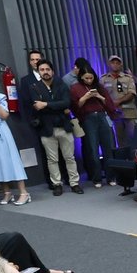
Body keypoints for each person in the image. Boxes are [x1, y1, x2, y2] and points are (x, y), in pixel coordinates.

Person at [28, 60, 79, 195]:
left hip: (64, 127)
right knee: (52, 159)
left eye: (47, 69)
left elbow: (66, 103)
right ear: (39, 72)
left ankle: (74, 183)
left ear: (52, 71)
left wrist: (46, 104)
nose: (45, 72)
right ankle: (57, 184)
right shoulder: (35, 87)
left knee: (70, 157)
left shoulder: (61, 85)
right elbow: (37, 106)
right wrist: (57, 106)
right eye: (42, 70)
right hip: (46, 128)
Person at [69, 66, 118, 188]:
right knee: (93, 148)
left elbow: (110, 105)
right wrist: (85, 97)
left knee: (108, 147)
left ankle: (111, 176)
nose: (89, 80)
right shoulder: (75, 88)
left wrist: (98, 96)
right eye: (86, 78)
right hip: (88, 118)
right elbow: (75, 106)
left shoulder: (99, 87)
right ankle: (97, 178)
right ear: (81, 77)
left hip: (102, 116)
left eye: (91, 78)